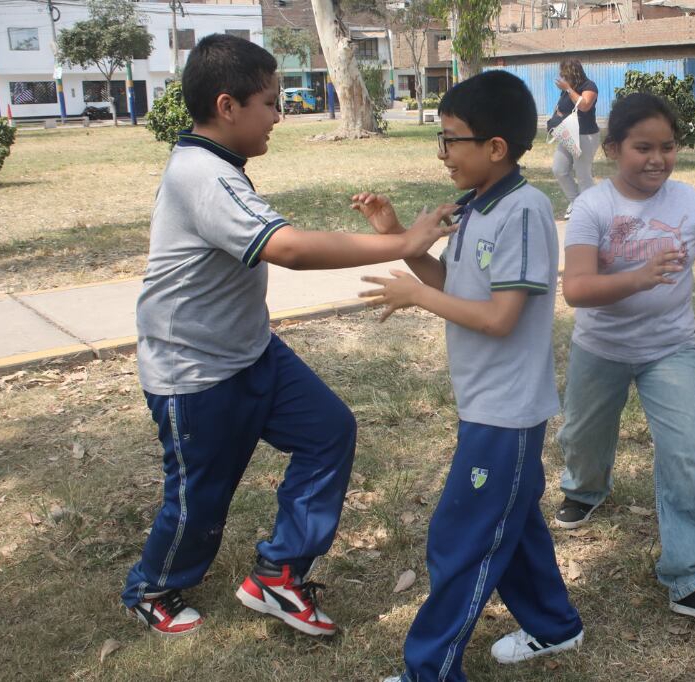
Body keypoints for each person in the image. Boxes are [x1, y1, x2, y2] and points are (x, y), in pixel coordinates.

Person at [121, 33, 455, 638]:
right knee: (201, 497)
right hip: (194, 373)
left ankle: (279, 573)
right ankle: (153, 587)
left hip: (252, 352)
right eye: (270, 102)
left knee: (329, 432)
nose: (279, 114)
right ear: (228, 106)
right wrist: (405, 242)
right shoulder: (201, 175)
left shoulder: (222, 168)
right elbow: (291, 248)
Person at [354, 70, 583, 682]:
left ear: (495, 148)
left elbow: (501, 317)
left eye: (451, 139)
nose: (443, 152)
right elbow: (457, 287)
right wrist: (401, 242)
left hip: (506, 411)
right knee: (511, 521)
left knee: (461, 539)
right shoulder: (477, 207)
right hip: (485, 402)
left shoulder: (527, 210)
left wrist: (415, 297)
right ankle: (555, 625)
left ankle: (427, 671)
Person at [554, 92, 695, 622]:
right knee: (583, 437)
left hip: (670, 348)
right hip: (600, 348)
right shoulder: (593, 207)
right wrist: (639, 276)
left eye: (668, 147)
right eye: (642, 147)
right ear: (612, 149)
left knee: (684, 452)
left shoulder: (688, 202)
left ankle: (693, 575)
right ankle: (585, 488)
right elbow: (577, 290)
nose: (657, 158)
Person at [548, 58, 599, 220]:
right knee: (559, 169)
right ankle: (576, 201)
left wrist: (569, 89)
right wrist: (555, 119)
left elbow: (584, 106)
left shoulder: (589, 86)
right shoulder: (566, 90)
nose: (562, 77)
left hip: (586, 135)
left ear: (573, 73)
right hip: (568, 134)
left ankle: (590, 209)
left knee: (583, 174)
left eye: (565, 74)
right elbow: (561, 108)